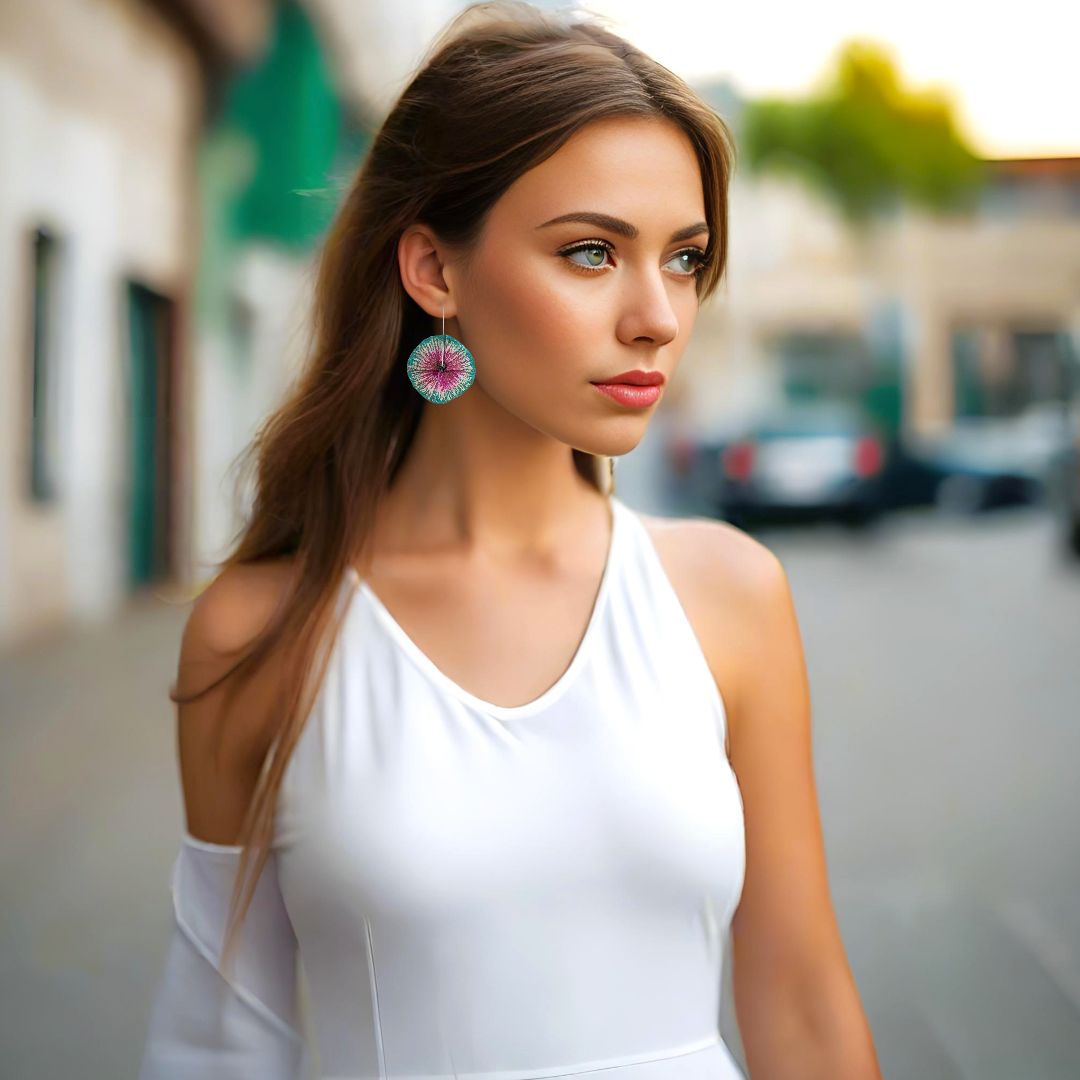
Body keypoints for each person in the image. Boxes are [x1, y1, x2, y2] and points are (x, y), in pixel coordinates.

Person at [137, 3, 883, 1078]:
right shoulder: (262, 634)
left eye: (684, 258)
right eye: (591, 252)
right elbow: (218, 1045)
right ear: (434, 272)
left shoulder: (729, 596)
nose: (658, 316)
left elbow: (803, 1006)